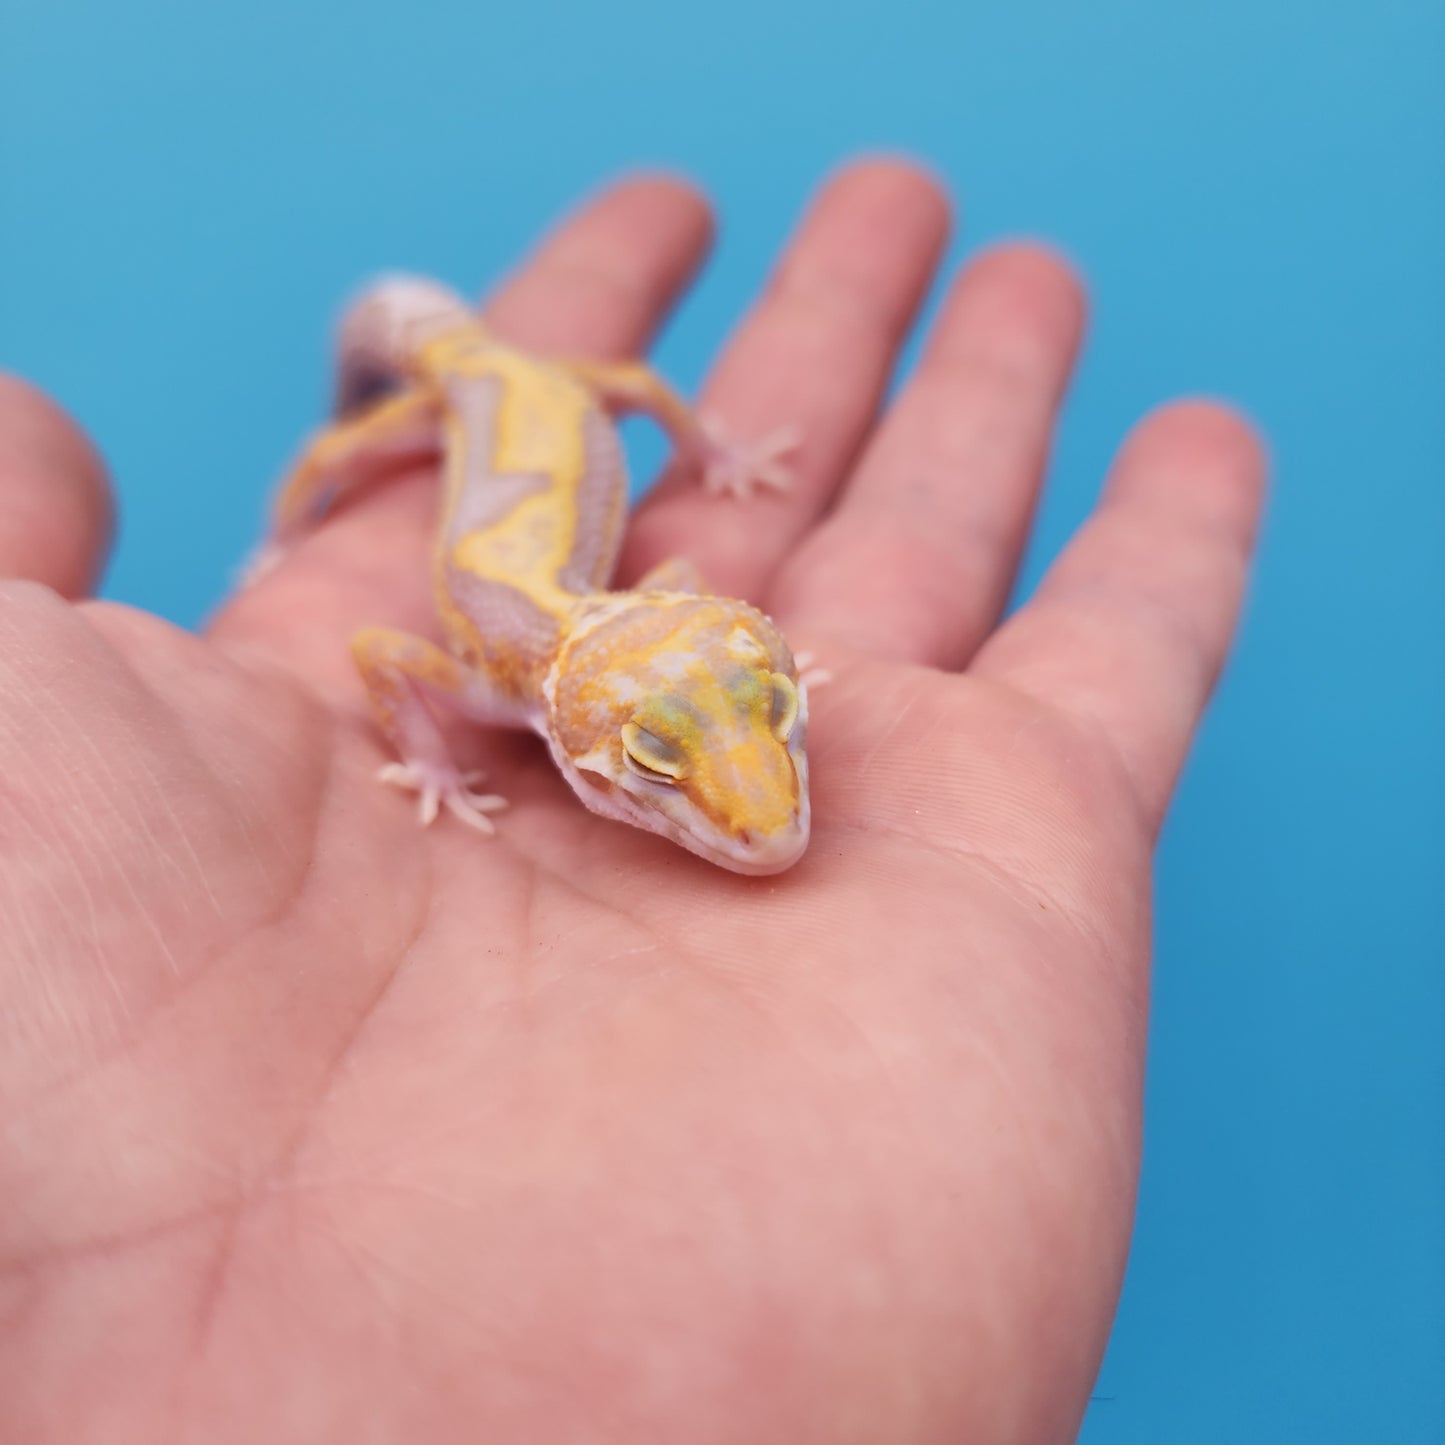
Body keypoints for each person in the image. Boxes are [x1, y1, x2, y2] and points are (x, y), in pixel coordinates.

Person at [0, 160, 1264, 1442]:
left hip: (548, 407)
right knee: (350, 438)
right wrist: (417, 738)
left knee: (594, 391)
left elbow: (651, 456)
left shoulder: (648, 619)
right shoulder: (502, 676)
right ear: (572, 736)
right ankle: (302, 496)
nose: (761, 826)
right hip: (478, 396)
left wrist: (703, 449)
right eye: (662, 783)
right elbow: (388, 662)